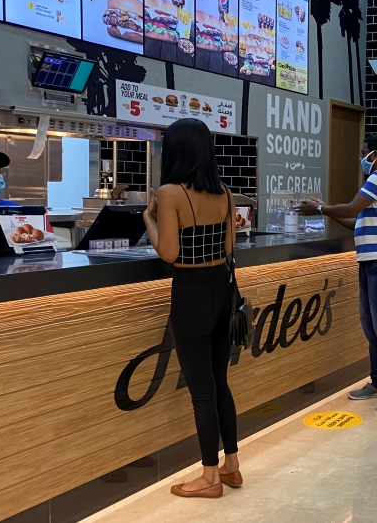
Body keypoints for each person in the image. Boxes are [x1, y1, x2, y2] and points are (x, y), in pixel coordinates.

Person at [143, 119, 242, 498]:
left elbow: (168, 252)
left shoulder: (169, 194)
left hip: (190, 293)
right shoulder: (225, 193)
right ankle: (231, 466)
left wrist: (148, 219)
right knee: (219, 384)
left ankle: (209, 477)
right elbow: (229, 247)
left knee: (200, 391)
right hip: (222, 291)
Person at [297, 134, 377, 412]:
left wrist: (320, 208)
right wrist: (323, 212)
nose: (362, 157)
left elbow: (351, 208)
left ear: (376, 155)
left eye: (364, 152)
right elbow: (353, 221)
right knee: (370, 325)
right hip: (370, 260)